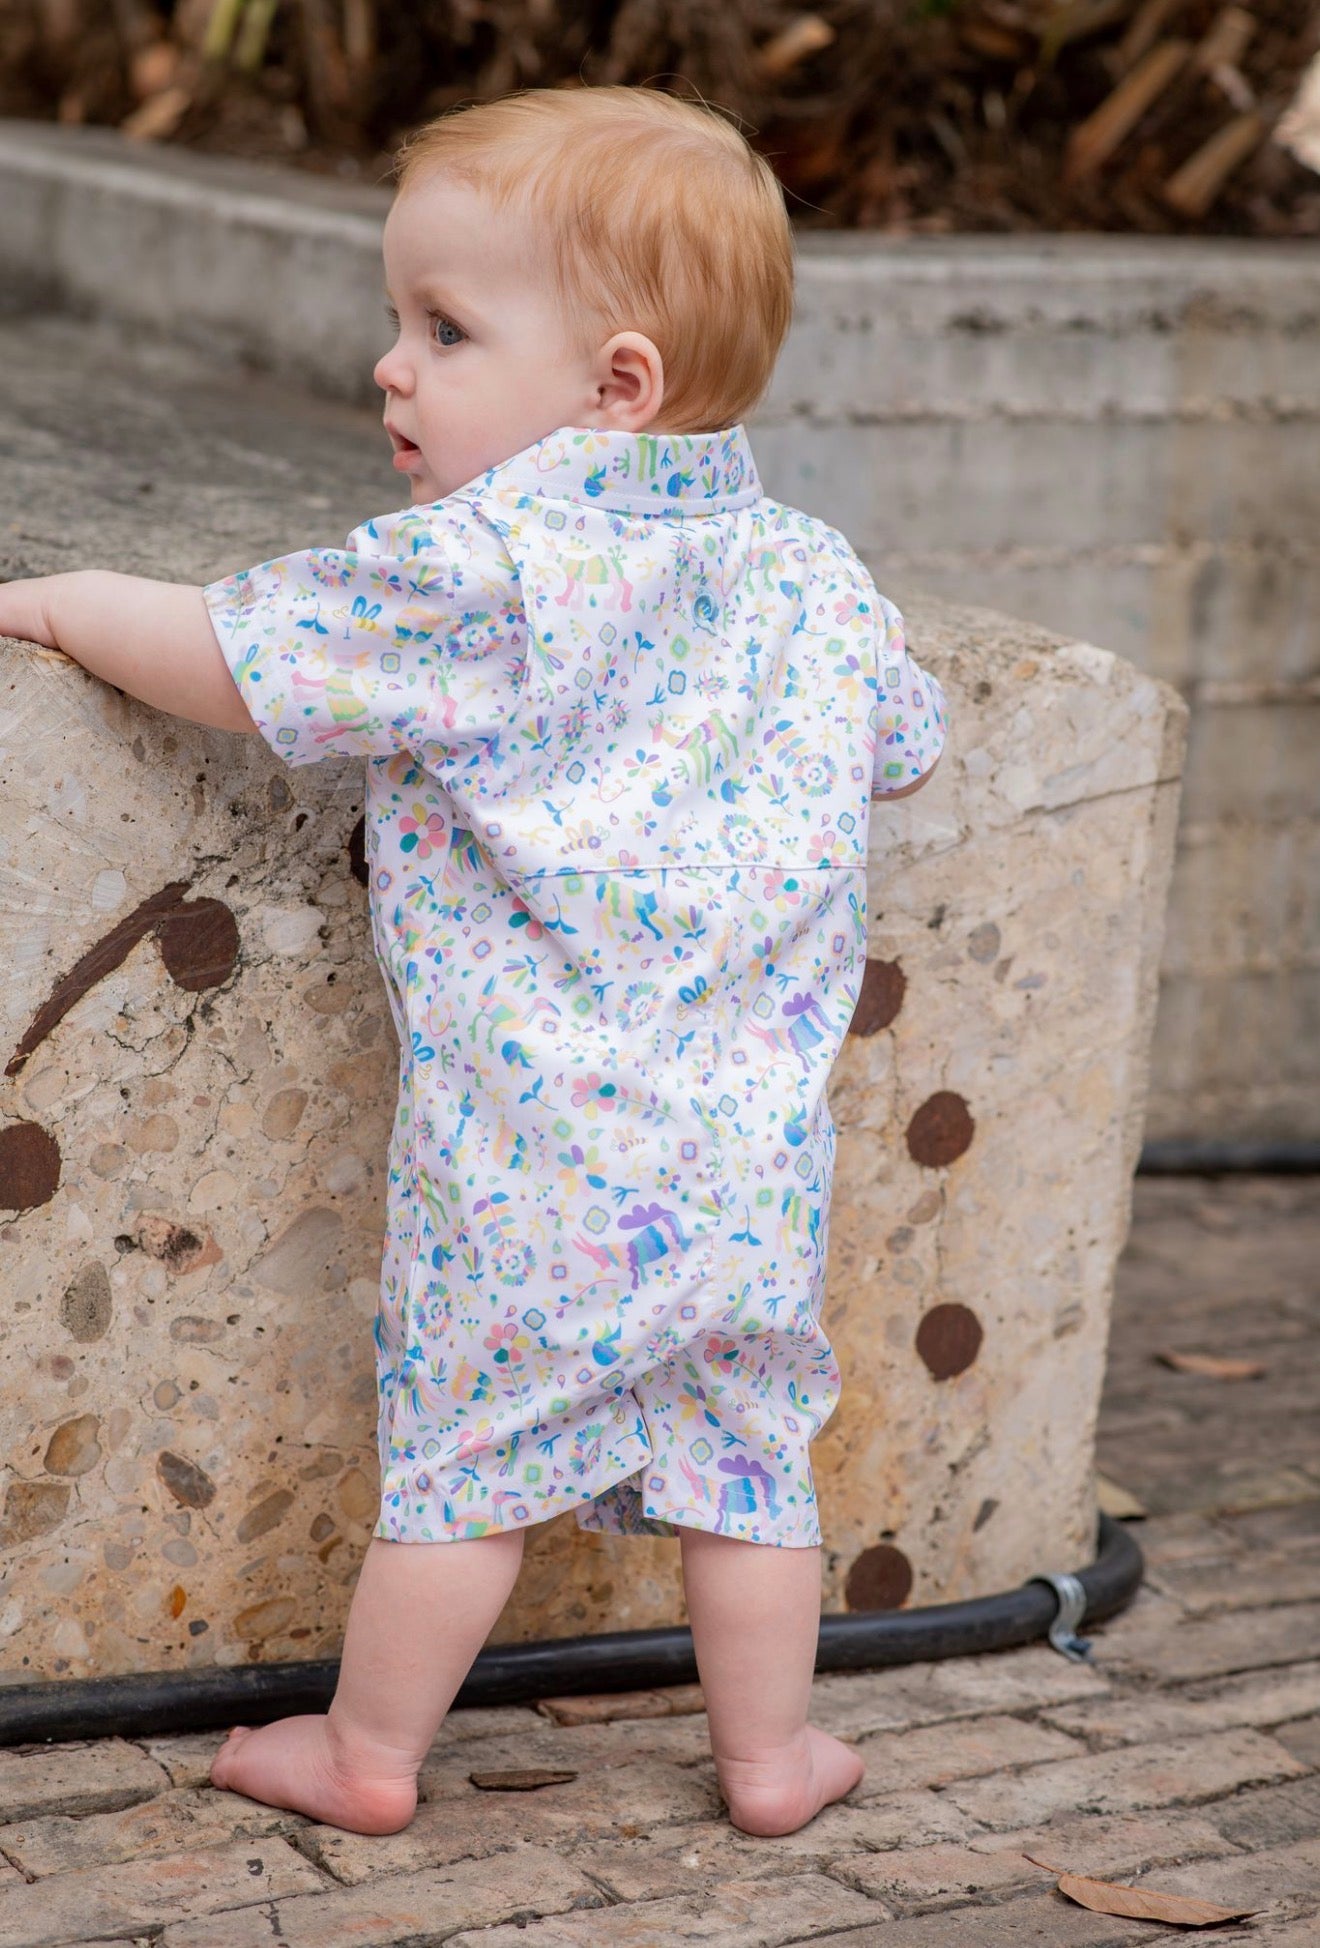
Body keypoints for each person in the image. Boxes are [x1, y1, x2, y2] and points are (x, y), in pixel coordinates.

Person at [0, 83, 947, 1841]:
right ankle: (769, 1764)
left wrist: (58, 604)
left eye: (443, 328)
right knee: (752, 1460)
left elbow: (237, 655)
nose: (391, 366)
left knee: (466, 1465)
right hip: (750, 1162)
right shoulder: (815, 575)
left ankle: (367, 1755)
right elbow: (907, 738)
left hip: (530, 1158)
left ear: (618, 384)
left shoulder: (487, 569)